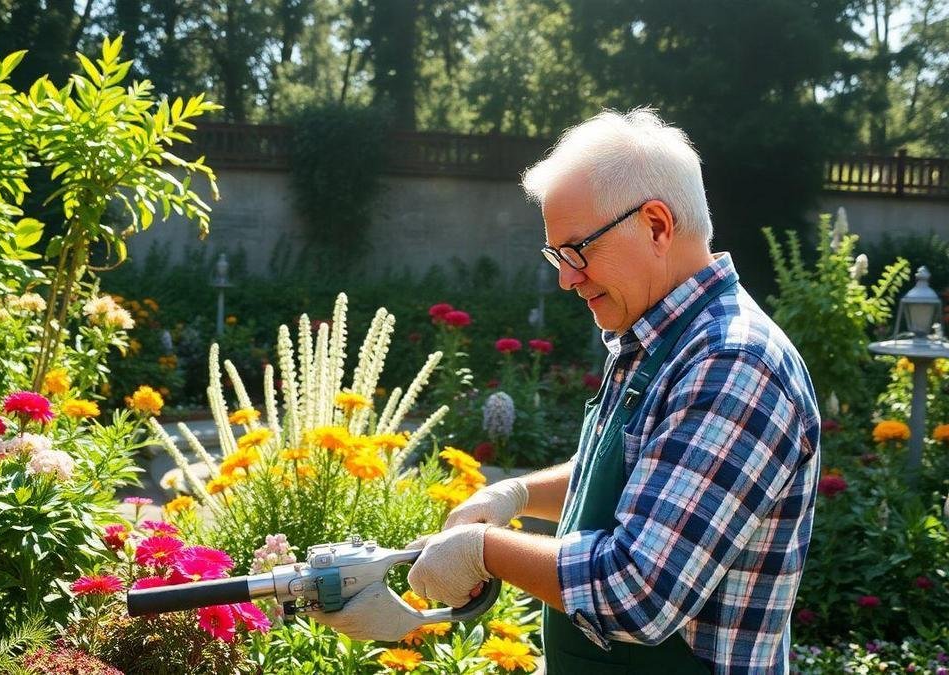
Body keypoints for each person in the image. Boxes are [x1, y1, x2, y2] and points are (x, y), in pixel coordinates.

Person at [313, 109, 822, 674]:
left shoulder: (732, 362)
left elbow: (638, 594)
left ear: (656, 225)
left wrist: (484, 549)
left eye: (577, 249)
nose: (566, 277)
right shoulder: (661, 339)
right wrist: (516, 496)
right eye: (557, 254)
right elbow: (642, 469)